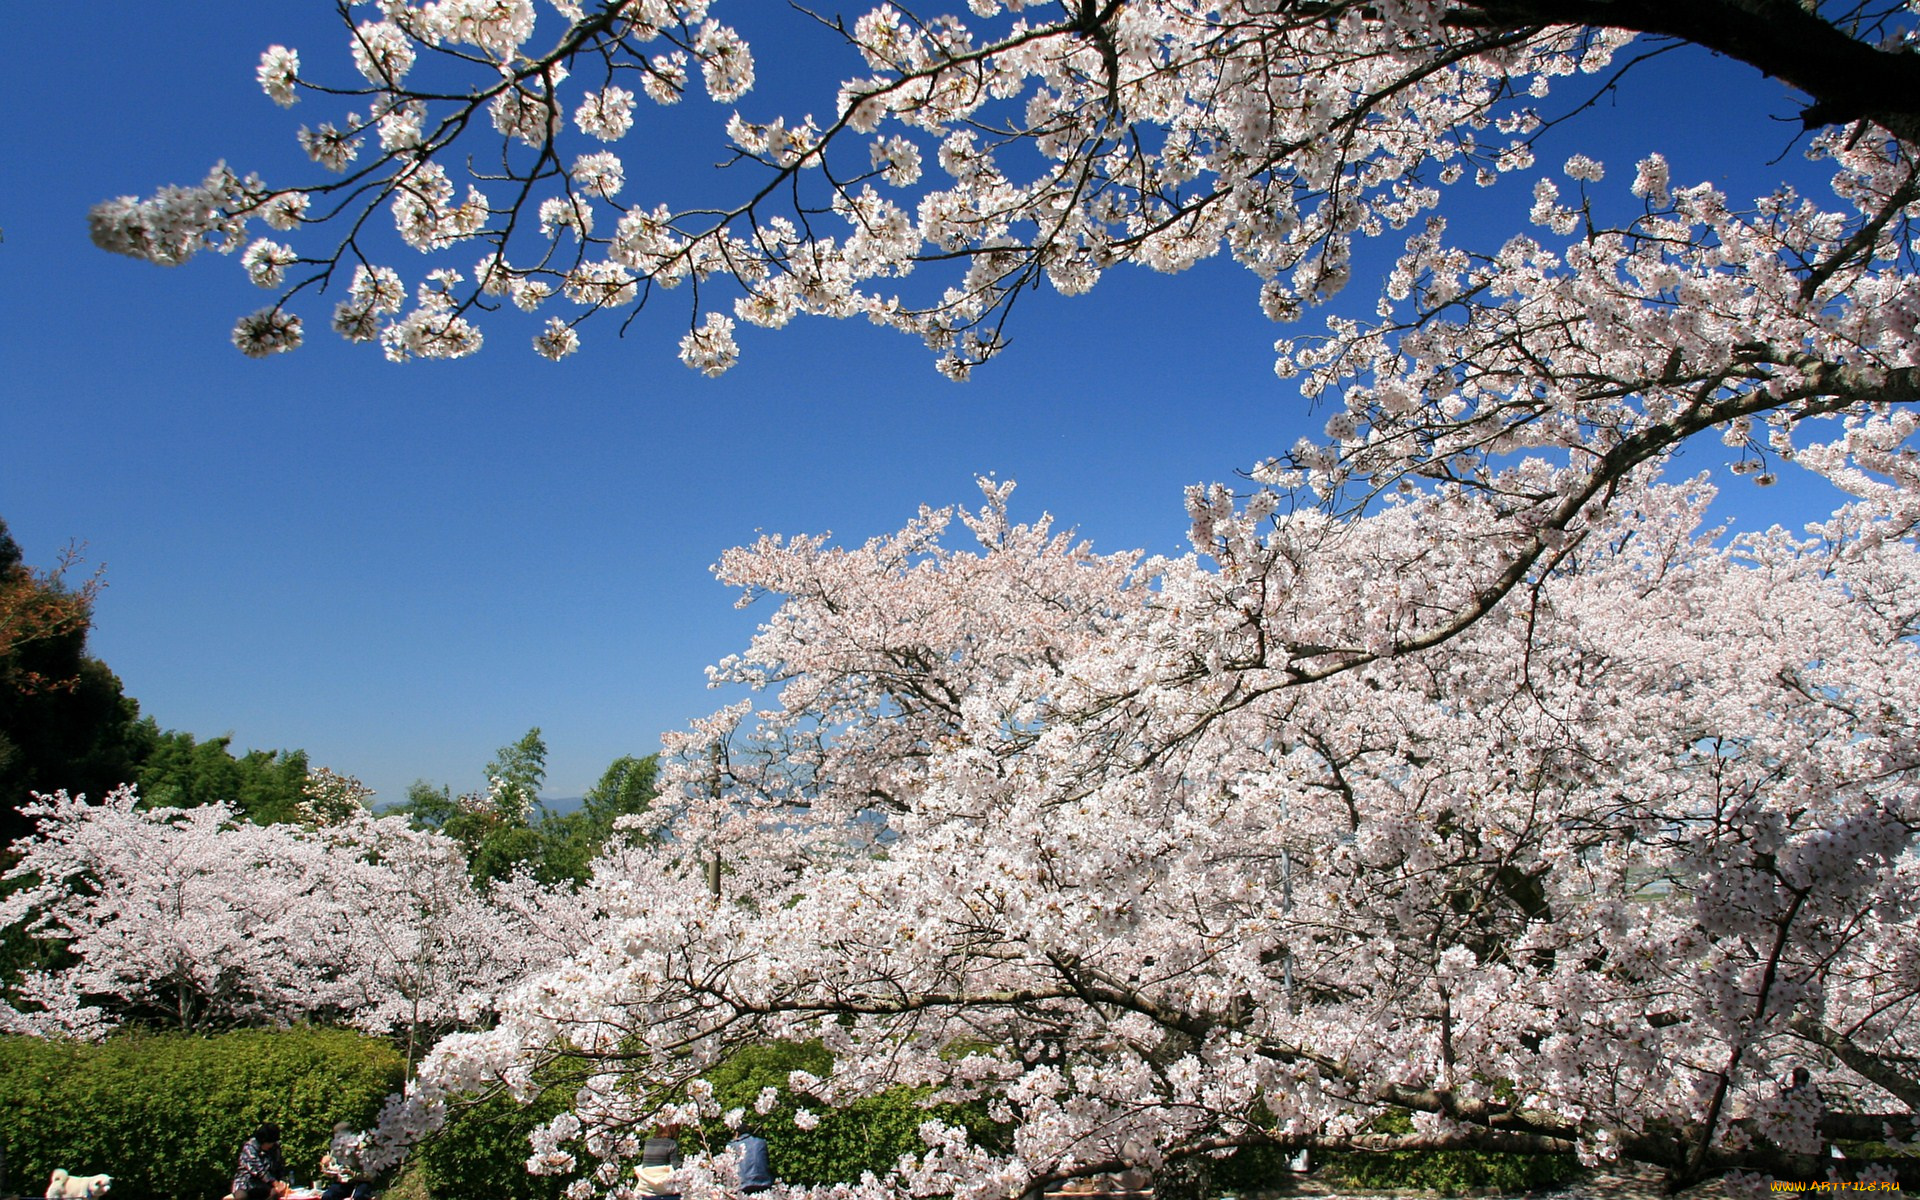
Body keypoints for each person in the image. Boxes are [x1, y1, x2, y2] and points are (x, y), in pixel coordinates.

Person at [319, 1123, 374, 1200]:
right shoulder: (336, 1148)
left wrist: (351, 1173)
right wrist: (325, 1167)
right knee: (327, 1196)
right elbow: (333, 1171)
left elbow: (370, 1176)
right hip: (343, 1183)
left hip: (361, 1182)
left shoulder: (361, 1148)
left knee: (359, 1197)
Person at [232, 1125, 288, 1200]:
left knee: (274, 1194)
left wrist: (282, 1180)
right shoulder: (249, 1148)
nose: (271, 1145)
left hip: (265, 1184)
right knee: (241, 1197)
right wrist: (275, 1183)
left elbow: (279, 1165)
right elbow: (259, 1170)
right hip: (246, 1182)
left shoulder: (275, 1148)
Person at [632, 1124, 682, 1200]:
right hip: (662, 1184)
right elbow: (676, 1165)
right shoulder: (671, 1143)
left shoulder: (649, 1142)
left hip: (647, 1183)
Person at [727, 1129, 773, 1194]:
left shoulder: (732, 1145)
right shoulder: (761, 1142)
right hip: (763, 1182)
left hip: (744, 1185)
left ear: (737, 1133)